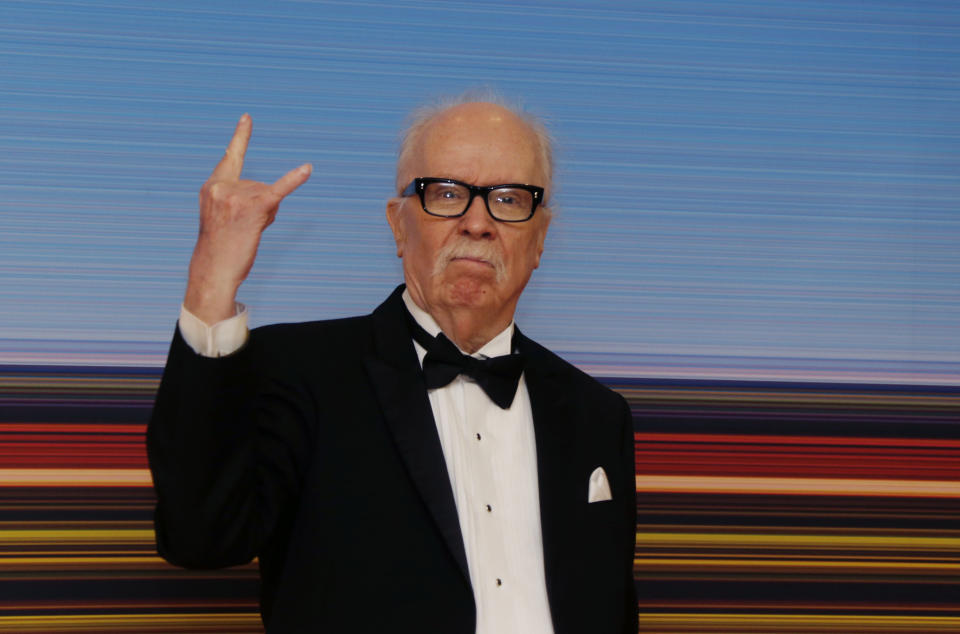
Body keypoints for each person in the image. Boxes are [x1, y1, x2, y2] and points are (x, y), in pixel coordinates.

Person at [147, 93, 638, 634]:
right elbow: (201, 537)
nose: (478, 222)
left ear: (540, 236)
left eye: (510, 198)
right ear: (398, 226)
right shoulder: (297, 370)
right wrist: (212, 278)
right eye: (447, 193)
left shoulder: (599, 415)